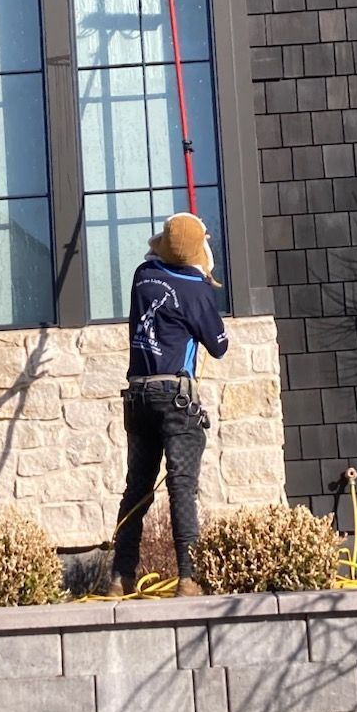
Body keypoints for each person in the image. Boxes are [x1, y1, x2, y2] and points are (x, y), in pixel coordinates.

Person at [108, 212, 229, 598]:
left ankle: (120, 576)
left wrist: (189, 263)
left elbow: (157, 259)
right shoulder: (197, 290)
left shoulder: (142, 277)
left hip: (138, 396)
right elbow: (219, 346)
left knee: (137, 488)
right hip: (175, 397)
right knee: (181, 486)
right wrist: (204, 278)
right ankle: (188, 579)